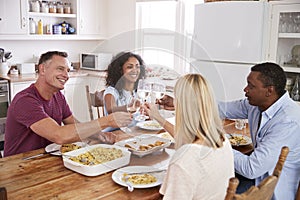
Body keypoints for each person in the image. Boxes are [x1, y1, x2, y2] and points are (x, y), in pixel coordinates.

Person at [4, 51, 132, 157]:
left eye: (68, 70)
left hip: (46, 158)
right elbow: (59, 135)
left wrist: (99, 134)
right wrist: (106, 121)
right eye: (60, 69)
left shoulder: (58, 96)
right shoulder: (25, 101)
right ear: (42, 69)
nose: (66, 75)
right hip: (20, 165)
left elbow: (74, 124)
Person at [143, 74, 234, 199]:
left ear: (181, 106)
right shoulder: (223, 141)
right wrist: (158, 117)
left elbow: (188, 157)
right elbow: (189, 140)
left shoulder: (184, 160)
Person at [218, 62, 300, 199]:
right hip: (257, 178)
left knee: (208, 191)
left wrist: (218, 144)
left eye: (251, 86)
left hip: (271, 192)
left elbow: (251, 169)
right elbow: (221, 108)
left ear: (269, 91)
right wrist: (180, 101)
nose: (245, 89)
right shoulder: (257, 105)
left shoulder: (287, 121)